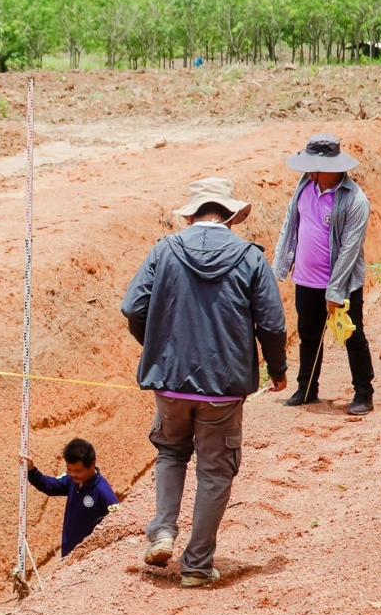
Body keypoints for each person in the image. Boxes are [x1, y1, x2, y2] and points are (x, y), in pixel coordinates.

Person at [120, 177, 287, 588]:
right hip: (224, 387)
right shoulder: (250, 258)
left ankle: (162, 531)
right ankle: (196, 565)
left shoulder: (165, 250)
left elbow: (132, 306)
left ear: (191, 215)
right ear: (230, 216)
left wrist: (158, 347)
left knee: (171, 453)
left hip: (170, 382)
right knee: (215, 472)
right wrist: (278, 370)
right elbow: (272, 323)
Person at [273, 134, 376, 415]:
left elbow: (350, 250)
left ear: (332, 168)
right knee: (309, 335)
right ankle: (306, 389)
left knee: (353, 337)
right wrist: (280, 266)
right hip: (306, 280)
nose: (310, 172)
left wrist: (335, 291)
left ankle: (364, 394)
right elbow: (290, 224)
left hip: (341, 283)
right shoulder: (305, 185)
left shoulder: (355, 200)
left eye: (314, 168)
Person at [23, 438, 119, 558]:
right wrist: (32, 470)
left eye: (78, 471)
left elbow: (118, 523)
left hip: (89, 558)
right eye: (69, 469)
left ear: (92, 465)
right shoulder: (72, 481)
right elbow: (50, 486)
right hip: (68, 555)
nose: (73, 474)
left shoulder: (102, 492)